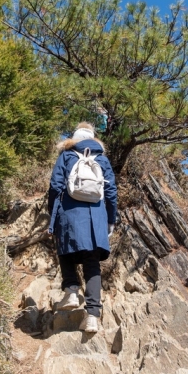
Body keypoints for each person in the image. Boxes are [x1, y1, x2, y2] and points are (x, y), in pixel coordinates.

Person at [47, 122, 117, 333]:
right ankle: (93, 316)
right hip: (96, 217)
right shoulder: (102, 159)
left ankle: (71, 291)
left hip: (69, 213)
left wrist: (53, 214)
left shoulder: (66, 156)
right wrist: (110, 219)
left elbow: (55, 186)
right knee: (92, 263)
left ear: (74, 138)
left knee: (65, 251)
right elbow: (111, 192)